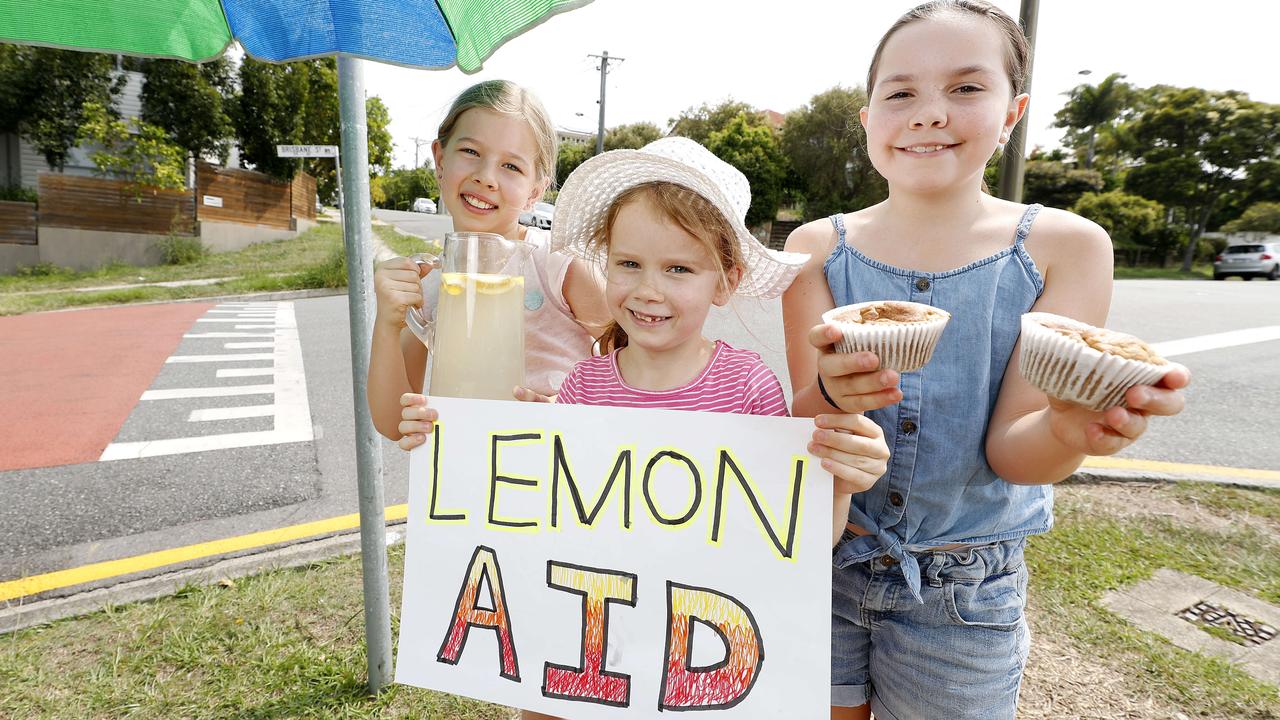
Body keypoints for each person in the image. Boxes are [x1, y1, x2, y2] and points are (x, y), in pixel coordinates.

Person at [779, 2, 1191, 719]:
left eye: (967, 88)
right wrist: (831, 396)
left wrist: (1070, 430)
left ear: (1012, 113)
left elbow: (1014, 453)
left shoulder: (1066, 248)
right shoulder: (813, 250)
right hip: (822, 568)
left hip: (965, 593)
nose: (929, 112)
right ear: (867, 117)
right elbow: (802, 431)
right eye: (900, 92)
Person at [509, 136, 891, 720]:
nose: (648, 289)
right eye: (628, 263)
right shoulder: (582, 387)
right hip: (603, 645)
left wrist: (834, 487)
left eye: (678, 268)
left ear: (726, 280)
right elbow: (555, 524)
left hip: (706, 653)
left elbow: (797, 535)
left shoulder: (747, 387)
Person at [368, 80, 609, 445]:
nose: (486, 176)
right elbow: (394, 422)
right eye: (470, 151)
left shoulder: (558, 267)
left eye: (511, 165)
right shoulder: (428, 286)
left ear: (535, 191)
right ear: (440, 159)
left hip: (563, 480)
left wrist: (567, 406)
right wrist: (387, 321)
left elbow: (638, 368)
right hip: (474, 486)